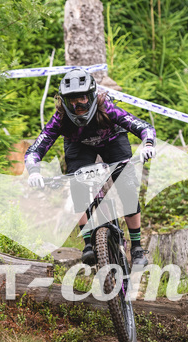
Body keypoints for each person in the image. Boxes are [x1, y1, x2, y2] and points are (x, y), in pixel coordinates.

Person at [25, 68, 156, 266]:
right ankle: (88, 243)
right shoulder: (60, 118)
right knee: (77, 184)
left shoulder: (107, 107)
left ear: (92, 96)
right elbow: (36, 148)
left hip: (113, 140)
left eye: (82, 98)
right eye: (72, 100)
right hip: (79, 146)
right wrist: (34, 171)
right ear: (64, 101)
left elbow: (144, 127)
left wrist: (148, 145)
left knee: (127, 186)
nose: (78, 105)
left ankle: (137, 248)